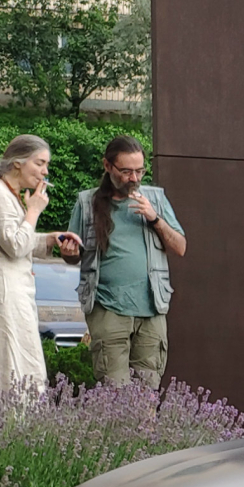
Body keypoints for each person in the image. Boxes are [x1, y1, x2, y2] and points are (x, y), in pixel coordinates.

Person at [64, 135, 186, 387]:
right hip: (108, 309)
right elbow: (74, 255)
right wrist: (68, 252)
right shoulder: (87, 203)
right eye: (126, 171)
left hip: (152, 309)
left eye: (140, 171)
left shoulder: (156, 200)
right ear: (107, 166)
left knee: (147, 394)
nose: (134, 178)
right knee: (114, 394)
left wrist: (154, 218)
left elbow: (180, 247)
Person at [0, 135, 81, 388]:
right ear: (18, 163)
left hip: (14, 291)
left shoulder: (9, 194)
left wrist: (50, 239)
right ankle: (2, 421)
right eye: (39, 163)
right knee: (5, 362)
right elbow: (14, 245)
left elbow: (20, 241)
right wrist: (34, 210)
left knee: (21, 361)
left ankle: (19, 423)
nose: (45, 172)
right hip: (4, 294)